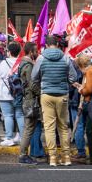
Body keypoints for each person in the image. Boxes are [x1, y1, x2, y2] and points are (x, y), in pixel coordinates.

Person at [31, 34, 72, 167]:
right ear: (58, 45)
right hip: (62, 95)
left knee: (49, 127)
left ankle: (53, 157)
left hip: (47, 94)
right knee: (63, 127)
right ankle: (66, 157)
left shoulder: (41, 58)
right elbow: (73, 76)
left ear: (46, 45)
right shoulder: (65, 58)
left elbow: (34, 76)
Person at [0, 41, 20, 145]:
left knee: (8, 116)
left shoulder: (3, 63)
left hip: (5, 93)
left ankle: (9, 137)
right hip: (18, 92)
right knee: (20, 115)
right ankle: (22, 137)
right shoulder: (20, 63)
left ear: (9, 52)